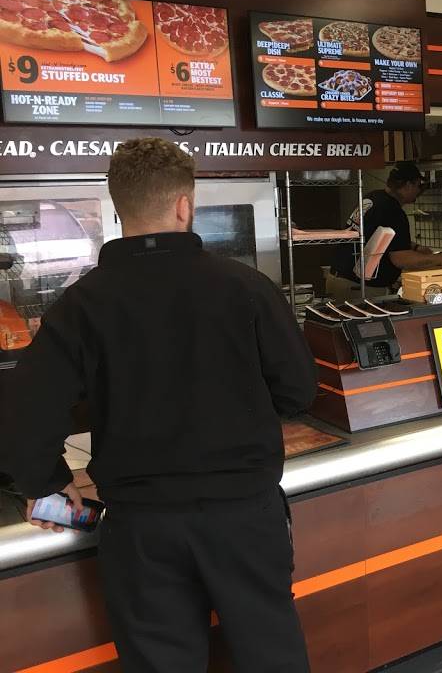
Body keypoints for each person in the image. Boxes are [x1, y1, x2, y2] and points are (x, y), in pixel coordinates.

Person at [0, 138, 315, 672]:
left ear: (118, 209)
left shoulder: (81, 304)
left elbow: (24, 415)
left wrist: (48, 481)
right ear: (184, 205)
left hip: (141, 529)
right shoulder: (247, 288)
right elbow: (298, 392)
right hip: (245, 514)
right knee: (271, 655)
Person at [330, 160, 442, 296]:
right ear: (408, 185)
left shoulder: (374, 197)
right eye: (418, 185)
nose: (419, 191)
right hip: (360, 287)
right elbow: (400, 259)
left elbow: (379, 238)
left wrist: (415, 247)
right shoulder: (393, 211)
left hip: (340, 277)